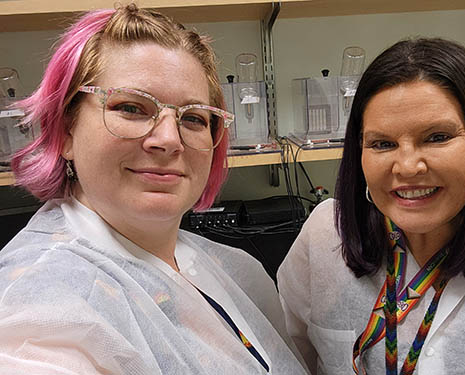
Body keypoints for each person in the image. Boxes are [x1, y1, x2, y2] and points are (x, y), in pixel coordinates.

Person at [0, 5, 308, 374]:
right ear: (66, 130)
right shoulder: (41, 303)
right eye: (131, 107)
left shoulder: (232, 267)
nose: (168, 140)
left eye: (193, 117)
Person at [277, 37, 465, 375]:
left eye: (437, 137)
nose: (407, 167)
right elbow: (291, 357)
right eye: (383, 143)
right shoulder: (324, 236)